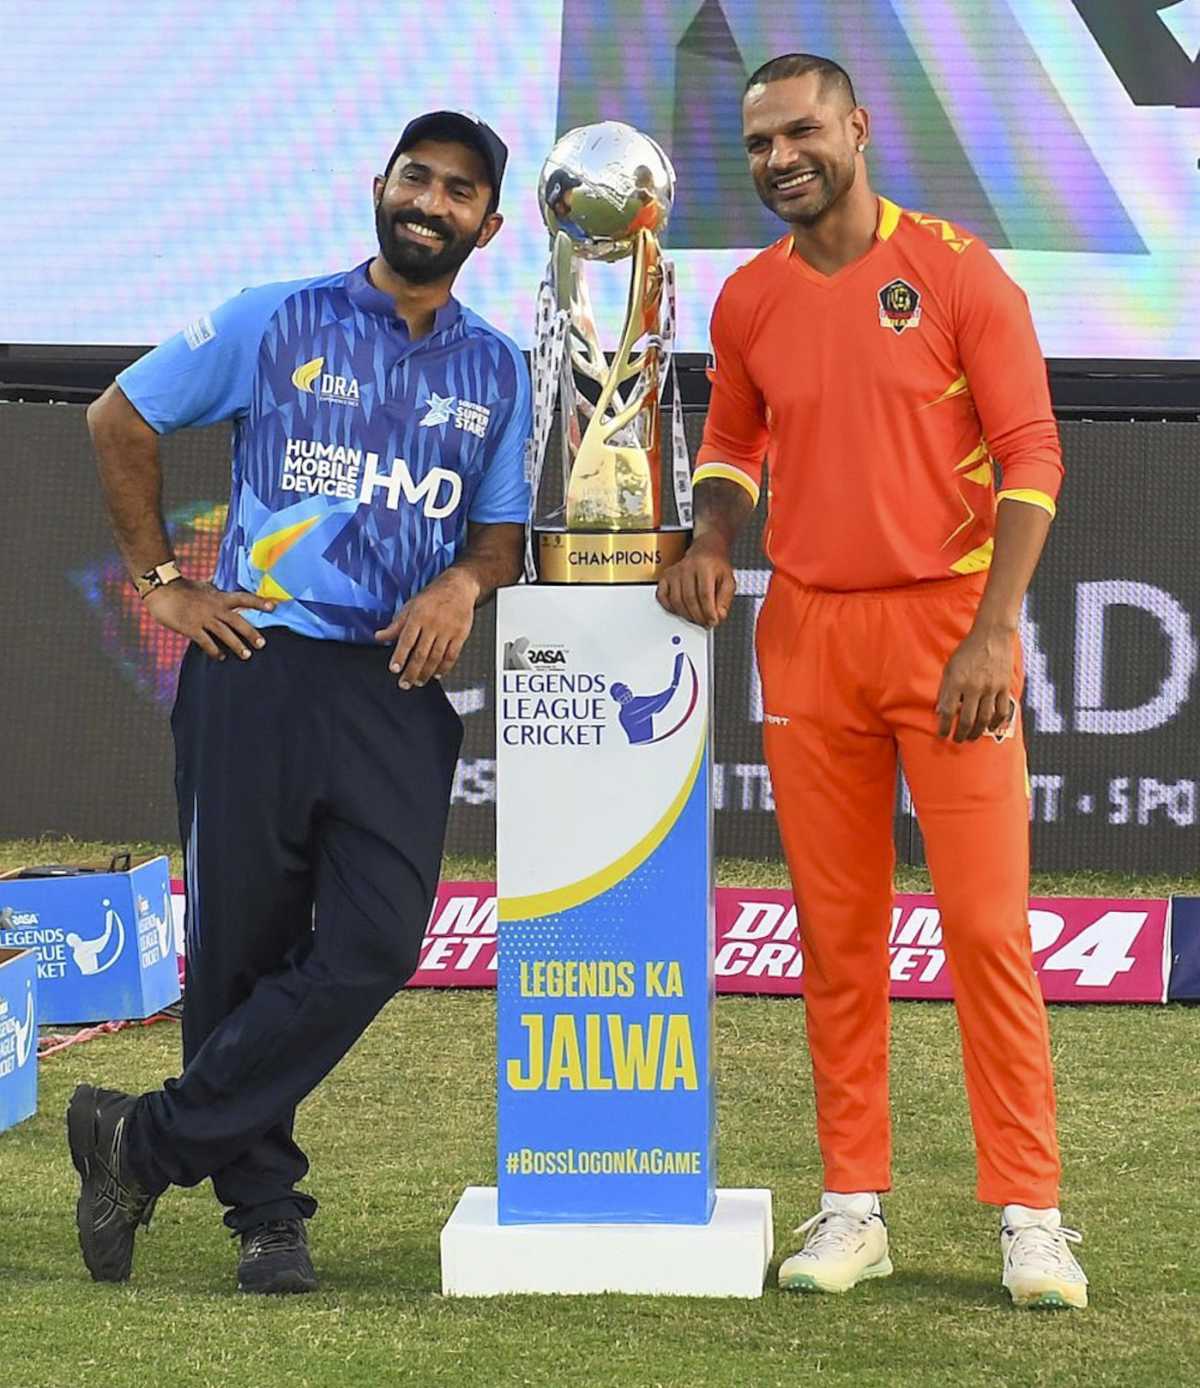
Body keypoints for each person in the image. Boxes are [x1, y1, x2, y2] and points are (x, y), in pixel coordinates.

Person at [69, 110, 531, 1294]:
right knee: (241, 943)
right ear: (381, 186)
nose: (431, 202)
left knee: (376, 941)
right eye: (415, 178)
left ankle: (143, 1141)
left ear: (487, 221)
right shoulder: (279, 315)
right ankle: (265, 1211)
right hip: (258, 665)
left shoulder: (497, 366)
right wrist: (162, 584)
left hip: (394, 685)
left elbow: (498, 536)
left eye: (459, 190)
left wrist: (464, 581)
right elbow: (118, 415)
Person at [657, 54, 1088, 1310]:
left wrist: (996, 626)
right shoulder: (746, 298)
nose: (780, 158)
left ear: (856, 126)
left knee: (987, 931)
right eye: (758, 144)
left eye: (801, 132)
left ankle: (1032, 1213)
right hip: (809, 635)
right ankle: (855, 1205)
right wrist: (717, 537)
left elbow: (1032, 451)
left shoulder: (957, 270)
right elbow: (735, 441)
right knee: (836, 939)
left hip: (950, 629)